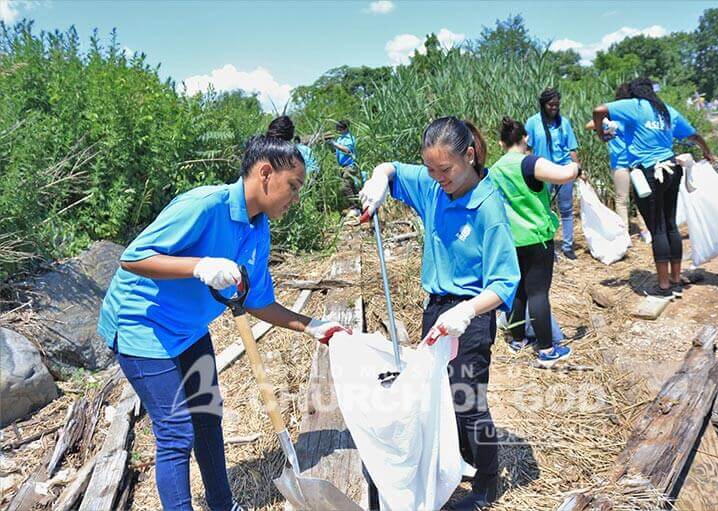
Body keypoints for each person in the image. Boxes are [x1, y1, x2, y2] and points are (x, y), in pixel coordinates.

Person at [97, 135, 349, 511]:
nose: (295, 199)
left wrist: (311, 325)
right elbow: (133, 259)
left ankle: (222, 504)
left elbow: (258, 302)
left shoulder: (258, 227)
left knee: (208, 417)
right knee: (176, 434)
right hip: (141, 326)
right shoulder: (204, 205)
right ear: (266, 173)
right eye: (293, 187)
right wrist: (198, 266)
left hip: (188, 330)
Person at [358, 117, 520, 510]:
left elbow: (504, 282)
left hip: (472, 313)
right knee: (435, 397)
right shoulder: (433, 188)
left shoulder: (488, 207)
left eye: (444, 170)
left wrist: (468, 310)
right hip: (436, 310)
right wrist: (380, 177)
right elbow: (393, 170)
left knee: (466, 399)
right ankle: (455, 461)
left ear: (468, 156)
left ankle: (486, 481)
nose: (437, 177)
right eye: (431, 170)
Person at [592, 77, 715, 298]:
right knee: (670, 225)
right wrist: (707, 151)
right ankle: (676, 280)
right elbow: (693, 135)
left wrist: (602, 134)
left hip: (647, 173)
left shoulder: (635, 105)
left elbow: (598, 110)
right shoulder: (666, 110)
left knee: (657, 227)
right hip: (671, 168)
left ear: (635, 92)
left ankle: (664, 286)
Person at [489, 117, 578, 367]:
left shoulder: (494, 169)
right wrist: (575, 168)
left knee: (518, 290)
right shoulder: (530, 162)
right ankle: (547, 350)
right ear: (525, 138)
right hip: (537, 237)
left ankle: (517, 339)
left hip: (510, 239)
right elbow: (563, 175)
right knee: (538, 292)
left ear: (500, 143)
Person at [586, 83, 651, 243]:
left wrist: (603, 127)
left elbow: (589, 125)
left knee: (622, 199)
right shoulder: (633, 116)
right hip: (636, 161)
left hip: (620, 162)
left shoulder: (610, 117)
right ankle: (646, 231)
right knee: (640, 197)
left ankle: (624, 235)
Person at [525, 88, 580, 259]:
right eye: (550, 105)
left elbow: (571, 148)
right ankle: (548, 245)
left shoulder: (564, 123)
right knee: (543, 209)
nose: (554, 108)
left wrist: (577, 168)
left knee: (566, 208)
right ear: (543, 105)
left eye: (557, 105)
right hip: (542, 171)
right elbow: (527, 148)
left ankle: (568, 245)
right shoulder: (533, 123)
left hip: (564, 169)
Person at [326, 119, 361, 201]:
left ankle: (354, 206)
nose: (338, 130)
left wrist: (334, 143)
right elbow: (337, 150)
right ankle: (358, 205)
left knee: (345, 186)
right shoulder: (340, 139)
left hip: (350, 166)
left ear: (345, 128)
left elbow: (347, 150)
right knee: (351, 187)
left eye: (340, 128)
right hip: (343, 167)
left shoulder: (349, 138)